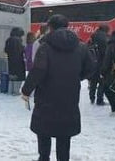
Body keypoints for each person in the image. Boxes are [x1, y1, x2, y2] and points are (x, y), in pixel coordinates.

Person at [21, 14, 93, 161]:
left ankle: (44, 158)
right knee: (64, 137)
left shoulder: (45, 47)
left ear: (50, 27)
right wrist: (75, 77)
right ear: (67, 26)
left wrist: (26, 90)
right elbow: (91, 68)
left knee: (44, 133)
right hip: (69, 97)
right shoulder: (80, 47)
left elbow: (38, 71)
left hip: (47, 97)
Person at [101, 30, 115, 116]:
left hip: (111, 72)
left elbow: (107, 60)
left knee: (107, 89)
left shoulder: (111, 45)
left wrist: (103, 71)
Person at [88, 25, 109, 105]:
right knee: (101, 82)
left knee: (93, 81)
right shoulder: (104, 37)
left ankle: (92, 97)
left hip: (93, 62)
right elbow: (104, 51)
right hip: (101, 62)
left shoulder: (93, 35)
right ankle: (99, 99)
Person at [4, 27, 26, 94]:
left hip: (10, 60)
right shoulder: (18, 40)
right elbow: (21, 50)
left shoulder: (8, 40)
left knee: (12, 76)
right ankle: (16, 91)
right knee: (18, 76)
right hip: (18, 61)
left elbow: (6, 50)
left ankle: (10, 91)